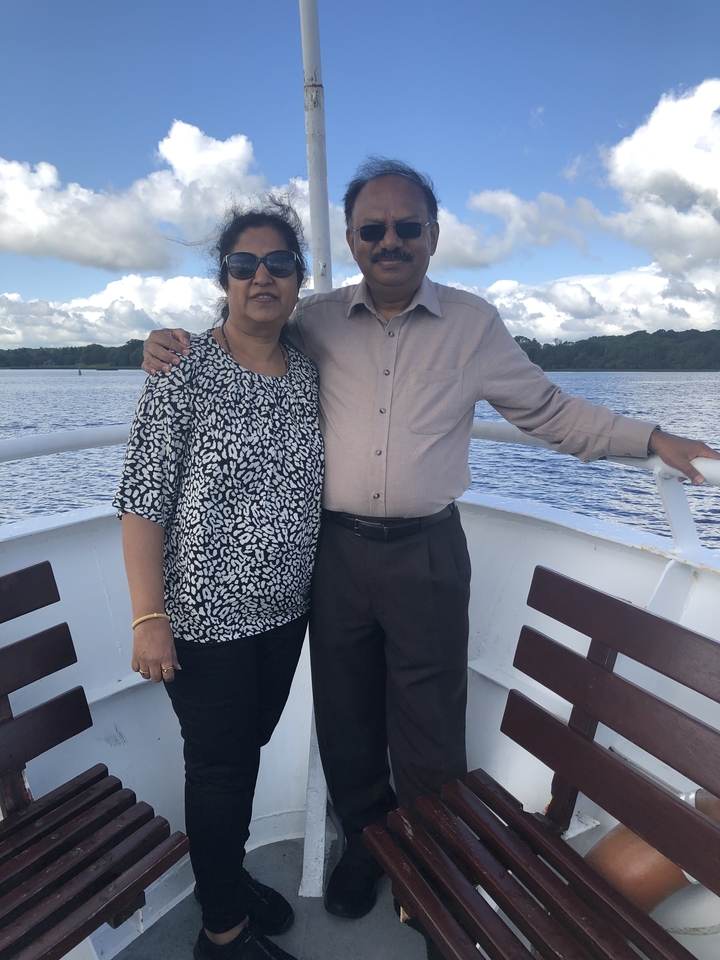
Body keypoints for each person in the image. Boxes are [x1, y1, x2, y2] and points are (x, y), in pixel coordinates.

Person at [142, 158, 720, 924]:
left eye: (406, 227)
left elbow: (550, 411)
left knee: (430, 719)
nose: (390, 240)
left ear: (433, 235)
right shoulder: (313, 318)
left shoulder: (474, 325)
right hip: (337, 553)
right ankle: (370, 845)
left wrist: (649, 434)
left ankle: (431, 858)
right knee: (346, 718)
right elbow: (243, 326)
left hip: (428, 551)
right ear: (350, 240)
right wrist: (162, 341)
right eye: (373, 229)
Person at [116, 200, 323, 960]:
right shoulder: (182, 371)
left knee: (247, 752)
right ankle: (223, 932)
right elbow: (143, 501)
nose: (260, 276)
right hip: (205, 622)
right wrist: (149, 618)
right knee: (220, 769)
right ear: (224, 279)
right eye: (244, 264)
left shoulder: (306, 371)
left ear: (299, 281)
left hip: (284, 614)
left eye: (278, 264)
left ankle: (224, 880)